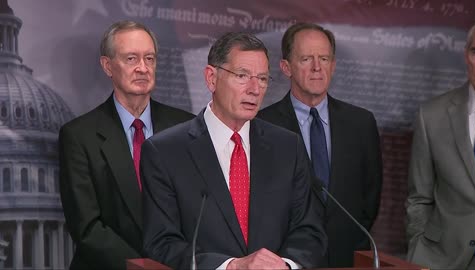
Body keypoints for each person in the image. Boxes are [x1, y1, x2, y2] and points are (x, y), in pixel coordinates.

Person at [141, 32, 327, 270]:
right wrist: (230, 266)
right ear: (211, 78)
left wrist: (286, 265)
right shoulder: (165, 152)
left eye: (262, 78)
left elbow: (309, 231)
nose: (255, 89)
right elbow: (161, 243)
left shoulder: (288, 147)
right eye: (242, 76)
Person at [58, 20, 194, 270]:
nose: (143, 68)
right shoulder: (79, 136)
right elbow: (87, 227)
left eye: (150, 59)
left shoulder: (187, 126)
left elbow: (197, 210)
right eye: (132, 59)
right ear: (107, 66)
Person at [257, 22, 383, 267]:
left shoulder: (361, 123)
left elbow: (370, 198)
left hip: (346, 258)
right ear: (286, 67)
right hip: (286, 259)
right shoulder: (261, 125)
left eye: (324, 59)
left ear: (333, 66)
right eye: (306, 59)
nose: (317, 67)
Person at [405, 22, 475, 269]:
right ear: (466, 55)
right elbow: (419, 198)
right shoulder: (432, 115)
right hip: (444, 260)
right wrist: (419, 247)